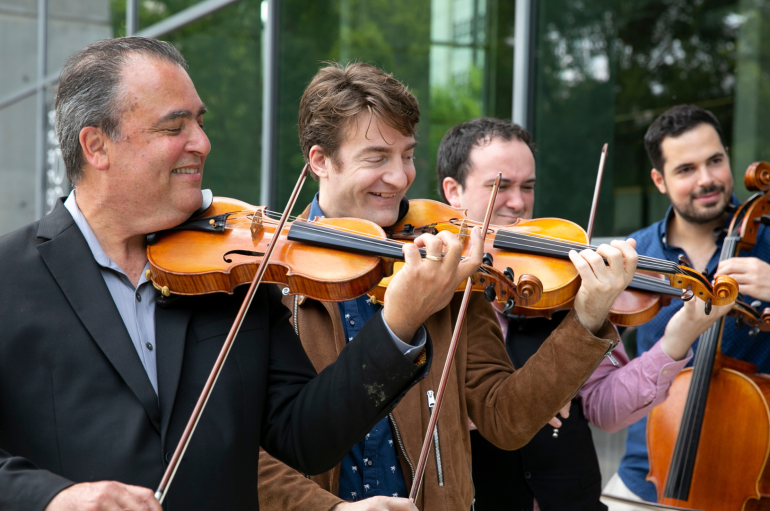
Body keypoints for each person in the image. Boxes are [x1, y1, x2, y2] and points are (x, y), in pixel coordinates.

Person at [0, 37, 487, 511]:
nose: (203, 143)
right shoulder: (9, 278)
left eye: (200, 122)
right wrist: (51, 498)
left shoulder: (235, 276)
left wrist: (397, 325)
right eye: (175, 128)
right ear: (97, 146)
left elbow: (305, 438)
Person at [257, 62, 638, 511]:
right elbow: (233, 447)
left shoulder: (446, 265)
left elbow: (505, 417)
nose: (400, 177)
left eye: (407, 155)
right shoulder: (267, 274)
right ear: (320, 161)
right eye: (377, 157)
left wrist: (587, 317)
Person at [437, 117, 731, 511]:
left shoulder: (559, 282)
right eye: (500, 186)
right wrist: (523, 400)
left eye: (528, 187)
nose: (519, 202)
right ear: (453, 191)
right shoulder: (432, 292)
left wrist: (679, 336)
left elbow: (605, 409)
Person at [607, 104, 770, 506]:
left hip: (752, 476)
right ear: (659, 180)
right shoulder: (637, 252)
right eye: (686, 170)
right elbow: (599, 360)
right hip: (646, 474)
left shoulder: (766, 240)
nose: (707, 180)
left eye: (715, 160)